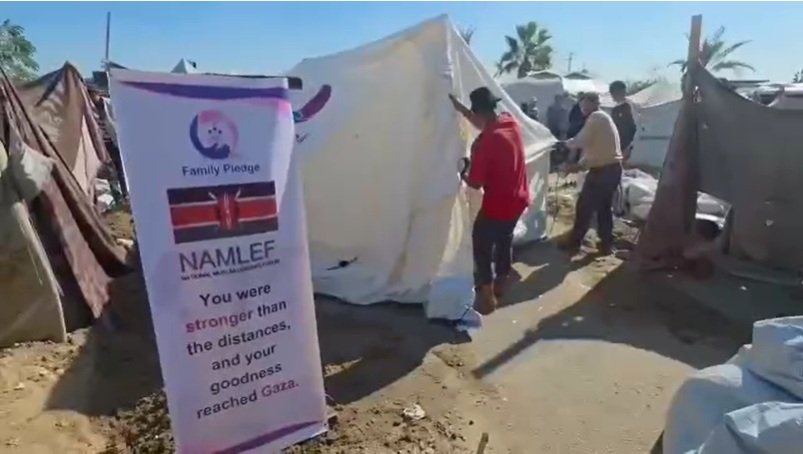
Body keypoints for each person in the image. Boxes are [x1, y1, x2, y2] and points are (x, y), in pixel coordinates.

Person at [449, 87, 530, 315]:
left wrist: (462, 171)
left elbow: (475, 183)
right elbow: (483, 124)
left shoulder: (487, 142)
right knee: (504, 238)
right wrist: (462, 110)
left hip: (499, 204)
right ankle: (502, 279)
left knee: (481, 244)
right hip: (519, 199)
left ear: (480, 113)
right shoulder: (510, 123)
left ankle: (486, 294)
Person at [558, 92, 622, 255]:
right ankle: (606, 244)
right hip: (612, 169)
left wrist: (565, 144)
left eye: (586, 105)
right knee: (604, 208)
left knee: (584, 207)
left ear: (595, 104)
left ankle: (575, 242)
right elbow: (592, 152)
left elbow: (581, 141)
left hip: (603, 171)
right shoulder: (602, 119)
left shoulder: (596, 118)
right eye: (582, 105)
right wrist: (575, 166)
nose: (584, 108)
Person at [609, 81, 637, 164]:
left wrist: (630, 145)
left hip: (627, 144)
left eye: (614, 92)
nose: (612, 96)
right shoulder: (615, 109)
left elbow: (634, 127)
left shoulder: (629, 107)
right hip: (618, 143)